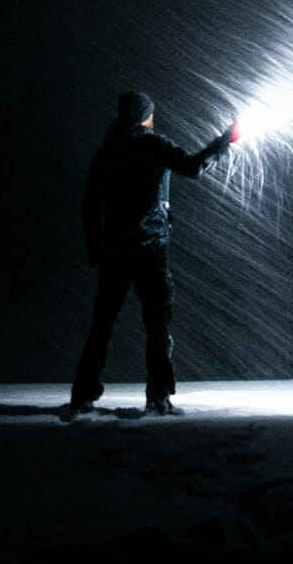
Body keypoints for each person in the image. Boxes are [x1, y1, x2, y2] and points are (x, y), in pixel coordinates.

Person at [68, 90, 235, 416]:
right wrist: (225, 141)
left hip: (114, 251)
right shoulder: (154, 145)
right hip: (150, 250)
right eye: (150, 113)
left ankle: (82, 395)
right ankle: (158, 397)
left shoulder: (107, 152)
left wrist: (95, 248)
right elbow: (192, 166)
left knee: (102, 325)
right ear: (144, 115)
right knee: (157, 325)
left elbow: (89, 204)